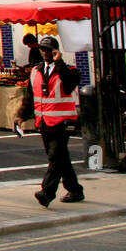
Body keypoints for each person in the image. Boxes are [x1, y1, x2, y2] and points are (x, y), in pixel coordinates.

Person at [32, 36, 83, 207]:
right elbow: (30, 97)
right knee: (60, 158)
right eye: (43, 49)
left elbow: (69, 85)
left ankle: (47, 192)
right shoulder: (36, 71)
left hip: (63, 122)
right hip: (45, 122)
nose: (45, 53)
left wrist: (59, 63)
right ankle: (75, 190)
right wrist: (21, 116)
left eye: (48, 49)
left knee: (55, 157)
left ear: (56, 51)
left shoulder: (69, 70)